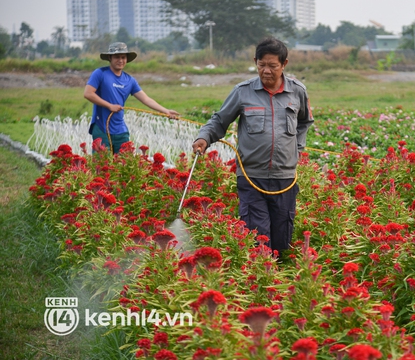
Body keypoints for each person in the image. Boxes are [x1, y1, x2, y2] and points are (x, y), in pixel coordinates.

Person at [192, 37, 314, 258]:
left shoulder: (297, 92)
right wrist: (204, 137)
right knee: (257, 237)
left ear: (284, 64)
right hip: (251, 177)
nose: (266, 71)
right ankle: (259, 281)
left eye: (273, 66)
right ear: (255, 61)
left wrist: (298, 147)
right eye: (261, 65)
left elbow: (304, 122)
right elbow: (219, 121)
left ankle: (277, 284)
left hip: (285, 178)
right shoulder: (243, 92)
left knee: (281, 239)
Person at [84, 42, 179, 153]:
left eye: (123, 57)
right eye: (117, 57)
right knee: (102, 166)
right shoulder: (100, 73)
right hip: (102, 128)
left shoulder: (129, 80)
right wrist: (109, 106)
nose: (120, 60)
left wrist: (166, 111)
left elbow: (146, 99)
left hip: (120, 130)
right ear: (110, 57)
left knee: (125, 165)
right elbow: (88, 93)